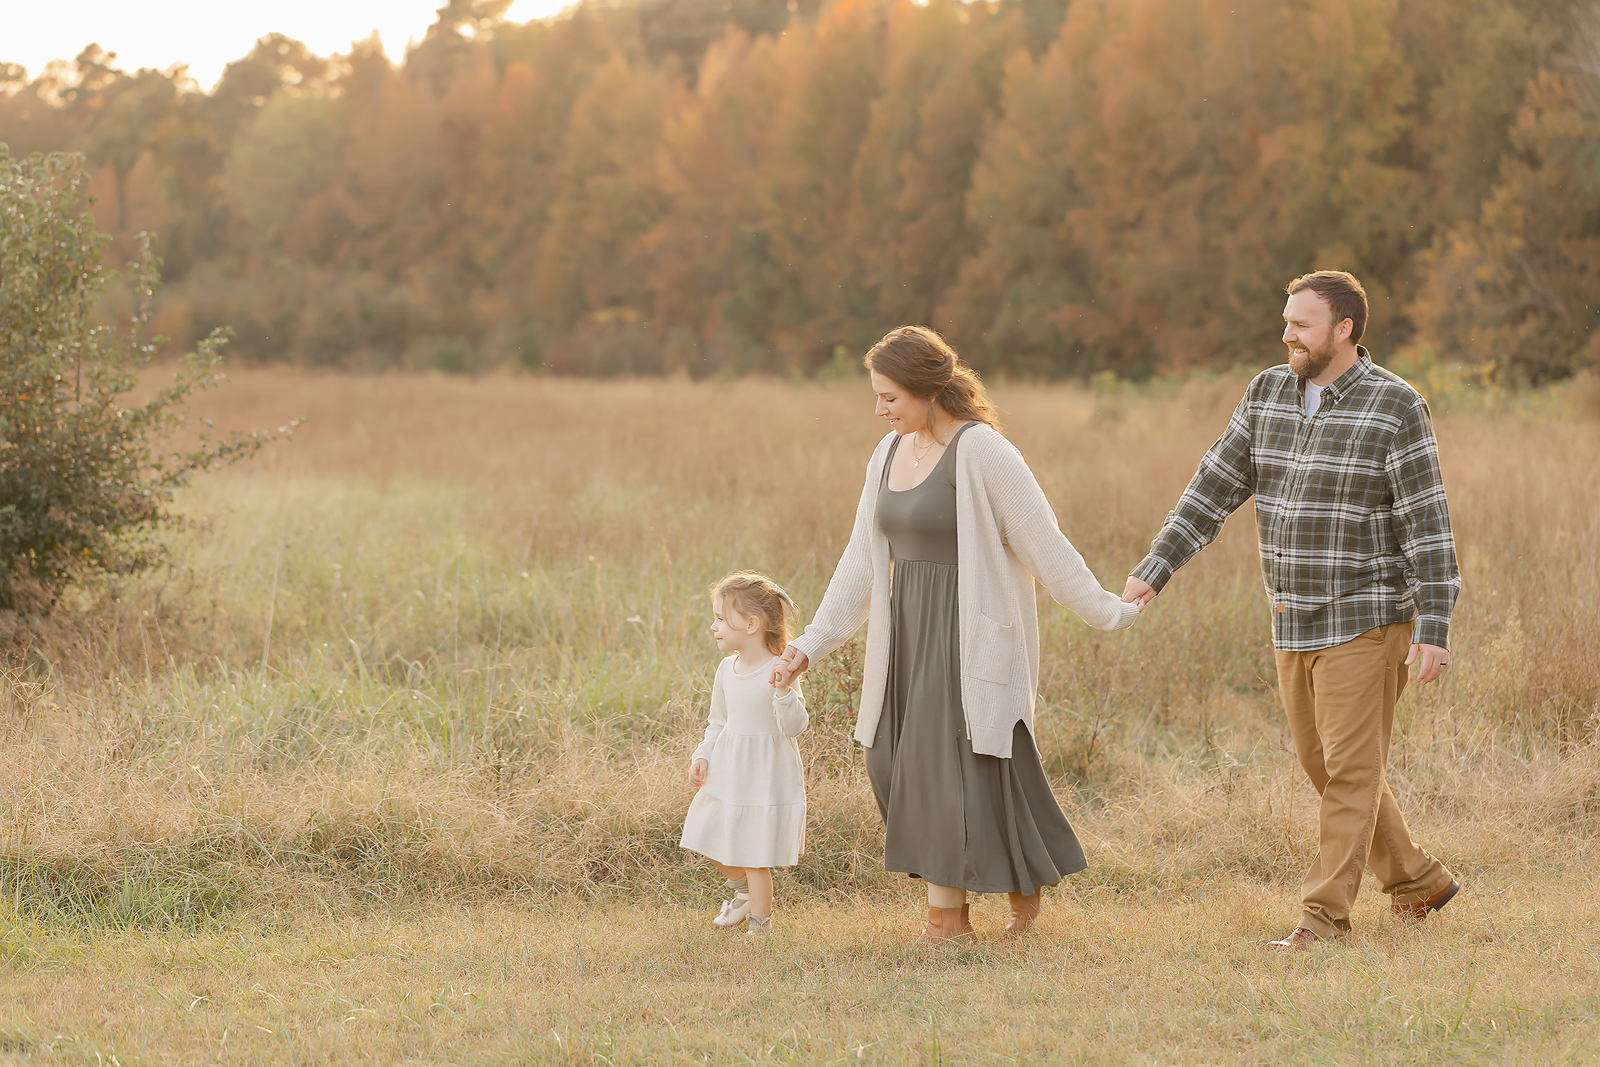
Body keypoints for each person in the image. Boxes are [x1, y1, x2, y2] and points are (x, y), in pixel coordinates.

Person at [1122, 270, 1461, 950]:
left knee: (1351, 772)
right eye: (1286, 321)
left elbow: (1428, 523)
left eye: (1301, 324)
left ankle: (1323, 919)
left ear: (1344, 330)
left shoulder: (1395, 406)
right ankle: (1419, 880)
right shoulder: (1267, 392)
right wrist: (1155, 567)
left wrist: (1433, 625)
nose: (1287, 334)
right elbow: (1212, 485)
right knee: (1322, 763)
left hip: (1367, 615)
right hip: (1291, 615)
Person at [770, 325, 1141, 944]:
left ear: (926, 389)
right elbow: (861, 560)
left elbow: (1043, 543)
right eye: (877, 396)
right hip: (906, 633)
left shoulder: (984, 452)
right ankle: (1021, 878)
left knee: (943, 767)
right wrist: (811, 643)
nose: (880, 409)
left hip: (966, 632)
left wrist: (1109, 610)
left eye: (890, 396)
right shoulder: (887, 455)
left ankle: (947, 923)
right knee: (893, 757)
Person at [680, 571, 810, 938]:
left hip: (766, 774)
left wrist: (784, 690)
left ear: (751, 624)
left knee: (755, 856)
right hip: (730, 769)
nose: (713, 626)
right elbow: (718, 721)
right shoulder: (726, 669)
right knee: (702, 832)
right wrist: (703, 754)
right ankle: (742, 895)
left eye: (721, 618)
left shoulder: (779, 670)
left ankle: (760, 924)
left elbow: (794, 725)